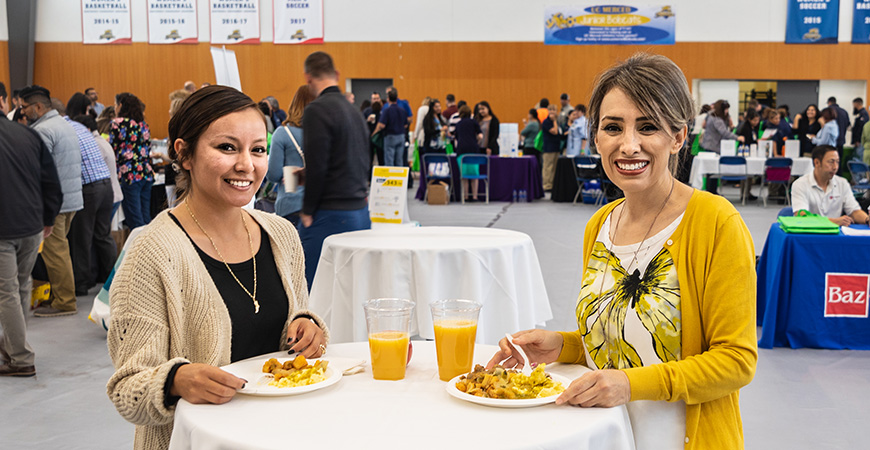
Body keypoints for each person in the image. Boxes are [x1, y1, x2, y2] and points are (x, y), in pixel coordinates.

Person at [487, 53, 757, 449]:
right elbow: (617, 342)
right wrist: (565, 345)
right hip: (605, 437)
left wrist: (631, 386)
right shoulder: (600, 225)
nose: (629, 146)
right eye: (613, 127)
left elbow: (736, 360)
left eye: (648, 127)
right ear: (596, 138)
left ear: (678, 137)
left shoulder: (716, 223)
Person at [107, 85, 328, 450]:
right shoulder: (151, 253)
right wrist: (175, 379)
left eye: (258, 149)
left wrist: (307, 326)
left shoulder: (281, 234)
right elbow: (127, 388)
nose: (246, 164)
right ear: (184, 153)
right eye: (227, 148)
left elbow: (295, 317)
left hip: (280, 433)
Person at [0, 85, 63, 376]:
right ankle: (12, 345)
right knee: (20, 287)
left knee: (8, 292)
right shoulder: (27, 134)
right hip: (31, 226)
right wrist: (48, 218)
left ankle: (21, 357)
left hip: (5, 229)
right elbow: (51, 182)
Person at [299, 51, 371, 289]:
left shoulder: (316, 111)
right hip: (359, 210)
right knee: (351, 288)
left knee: (314, 288)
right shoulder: (354, 111)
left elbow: (318, 165)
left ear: (308, 78)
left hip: (330, 213)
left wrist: (308, 210)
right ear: (337, 74)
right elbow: (364, 157)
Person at [20, 85, 83, 317]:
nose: (22, 112)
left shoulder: (43, 131)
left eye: (25, 107)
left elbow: (38, 169)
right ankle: (61, 296)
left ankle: (65, 301)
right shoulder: (64, 124)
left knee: (55, 253)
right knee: (59, 251)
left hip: (56, 202)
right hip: (71, 198)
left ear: (38, 107)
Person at [58, 97, 115, 297]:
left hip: (89, 188)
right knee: (102, 235)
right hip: (106, 185)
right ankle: (115, 280)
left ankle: (81, 285)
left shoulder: (61, 130)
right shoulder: (78, 127)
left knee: (81, 238)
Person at [267, 85, 315, 226]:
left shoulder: (283, 133)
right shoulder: (326, 133)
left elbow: (273, 174)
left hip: (291, 204)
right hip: (321, 205)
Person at [791, 145, 869, 226]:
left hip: (836, 235)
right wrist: (834, 221)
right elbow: (802, 215)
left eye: (837, 162)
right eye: (831, 162)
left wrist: (867, 219)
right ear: (817, 163)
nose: (835, 167)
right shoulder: (800, 184)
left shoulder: (842, 183)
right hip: (810, 234)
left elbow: (854, 211)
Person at [110, 92, 154, 230]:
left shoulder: (118, 124)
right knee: (146, 218)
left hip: (129, 175)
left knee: (135, 220)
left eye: (115, 104)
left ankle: (142, 249)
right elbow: (148, 147)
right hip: (145, 173)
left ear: (121, 106)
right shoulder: (143, 124)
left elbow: (113, 149)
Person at [73, 114, 123, 232]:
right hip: (113, 193)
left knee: (99, 233)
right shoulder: (101, 141)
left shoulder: (95, 144)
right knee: (102, 234)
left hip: (108, 194)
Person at [701, 100, 744, 194]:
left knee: (711, 171)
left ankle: (712, 191)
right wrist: (738, 138)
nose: (727, 111)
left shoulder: (711, 114)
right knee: (712, 171)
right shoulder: (717, 119)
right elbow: (724, 132)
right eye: (726, 109)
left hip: (709, 144)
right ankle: (712, 192)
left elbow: (703, 125)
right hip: (713, 146)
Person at [453, 105, 483, 201]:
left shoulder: (458, 124)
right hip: (473, 149)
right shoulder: (474, 122)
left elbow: (456, 138)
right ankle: (474, 196)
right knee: (475, 175)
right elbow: (481, 136)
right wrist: (476, 141)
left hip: (461, 150)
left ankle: (465, 196)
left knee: (464, 175)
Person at [373, 89, 408, 166]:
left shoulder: (387, 111)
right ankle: (399, 177)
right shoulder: (402, 110)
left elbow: (381, 125)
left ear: (388, 99)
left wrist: (374, 134)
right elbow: (406, 125)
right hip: (401, 136)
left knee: (389, 159)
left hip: (390, 136)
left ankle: (390, 177)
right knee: (399, 160)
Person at [541, 103, 562, 191]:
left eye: (554, 110)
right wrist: (554, 121)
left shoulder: (558, 121)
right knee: (547, 168)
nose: (552, 112)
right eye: (550, 110)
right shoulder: (546, 122)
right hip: (548, 149)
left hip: (556, 147)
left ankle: (552, 184)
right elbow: (555, 131)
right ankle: (546, 185)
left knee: (554, 168)